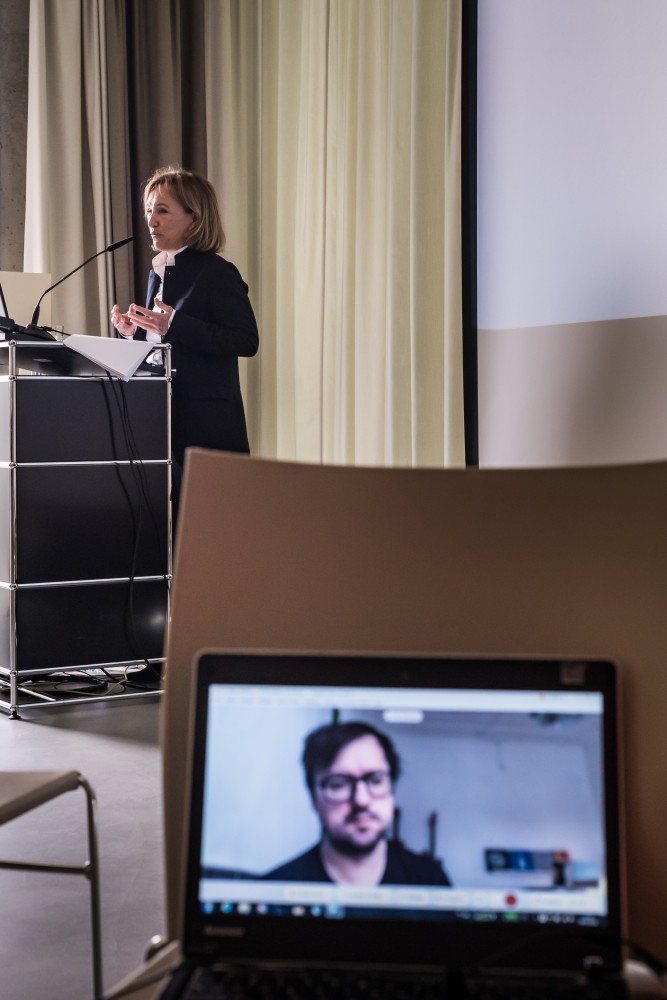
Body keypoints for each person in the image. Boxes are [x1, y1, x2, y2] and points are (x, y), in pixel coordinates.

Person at [111, 165, 259, 523]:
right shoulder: (159, 271)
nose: (151, 221)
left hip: (207, 424)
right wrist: (133, 333)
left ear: (194, 218)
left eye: (162, 210)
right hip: (164, 417)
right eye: (149, 210)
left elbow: (245, 339)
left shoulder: (216, 272)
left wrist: (174, 323)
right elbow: (166, 345)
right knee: (175, 524)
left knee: (215, 526)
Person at [264, 721, 450, 886]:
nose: (361, 800)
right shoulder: (275, 889)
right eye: (338, 784)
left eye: (376, 780)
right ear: (313, 798)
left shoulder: (430, 880)